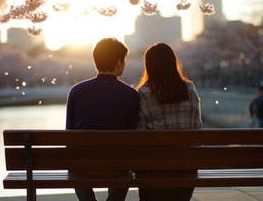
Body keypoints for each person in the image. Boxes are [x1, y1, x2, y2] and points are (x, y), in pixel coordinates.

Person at [66, 38, 139, 201]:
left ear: (95, 61)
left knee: (75, 163)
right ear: (119, 62)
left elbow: (69, 136)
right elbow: (132, 136)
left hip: (83, 167)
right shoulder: (131, 95)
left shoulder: (76, 91)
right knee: (123, 161)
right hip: (118, 167)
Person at [136, 43, 202, 201]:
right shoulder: (190, 89)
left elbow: (140, 136)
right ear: (174, 62)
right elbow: (196, 128)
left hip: (154, 171)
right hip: (187, 170)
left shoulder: (144, 92)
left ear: (149, 66)